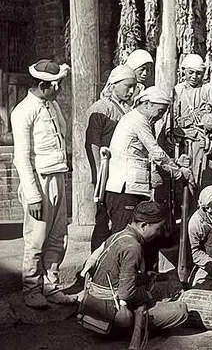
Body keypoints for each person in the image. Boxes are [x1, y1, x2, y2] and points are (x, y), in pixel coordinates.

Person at [11, 59, 75, 308]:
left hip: (57, 175)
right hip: (39, 180)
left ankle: (51, 284)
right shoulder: (23, 111)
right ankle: (31, 289)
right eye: (56, 85)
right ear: (42, 85)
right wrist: (33, 195)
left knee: (58, 236)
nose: (59, 90)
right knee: (36, 238)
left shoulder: (52, 105)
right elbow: (21, 157)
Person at [79, 201, 188, 336]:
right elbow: (126, 294)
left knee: (158, 286)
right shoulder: (133, 247)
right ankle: (124, 330)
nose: (159, 233)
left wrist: (145, 277)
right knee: (181, 310)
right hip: (112, 312)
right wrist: (147, 296)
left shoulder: (117, 235)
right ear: (144, 225)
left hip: (95, 306)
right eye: (158, 228)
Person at [105, 86, 194, 237]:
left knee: (135, 236)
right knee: (124, 237)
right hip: (125, 189)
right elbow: (156, 153)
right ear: (147, 104)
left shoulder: (136, 119)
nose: (161, 116)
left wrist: (175, 162)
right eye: (160, 111)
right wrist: (178, 173)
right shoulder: (138, 120)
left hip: (131, 188)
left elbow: (145, 155)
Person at [86, 65, 137, 251]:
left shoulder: (128, 110)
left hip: (121, 172)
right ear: (113, 84)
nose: (131, 91)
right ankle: (96, 261)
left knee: (119, 218)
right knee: (103, 219)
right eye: (127, 86)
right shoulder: (100, 109)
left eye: (134, 87)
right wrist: (99, 175)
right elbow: (92, 144)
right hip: (106, 170)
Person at [171, 53, 212, 191]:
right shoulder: (177, 90)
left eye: (198, 73)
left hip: (203, 144)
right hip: (182, 144)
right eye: (190, 72)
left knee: (204, 183)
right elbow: (171, 120)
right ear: (183, 71)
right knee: (183, 184)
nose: (194, 76)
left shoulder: (207, 88)